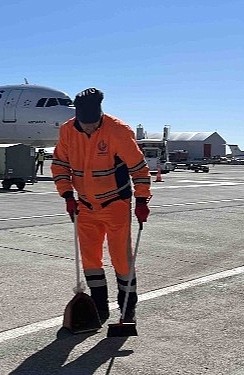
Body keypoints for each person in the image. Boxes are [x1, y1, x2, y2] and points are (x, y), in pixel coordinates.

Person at [51, 88, 151, 323]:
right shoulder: (67, 130)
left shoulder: (118, 131)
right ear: (77, 118)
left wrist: (142, 200)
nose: (89, 129)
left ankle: (128, 307)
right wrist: (67, 196)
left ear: (101, 116)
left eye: (94, 124)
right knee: (90, 258)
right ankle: (99, 305)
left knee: (121, 257)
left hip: (116, 202)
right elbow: (59, 166)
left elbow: (139, 168)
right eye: (85, 125)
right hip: (84, 205)